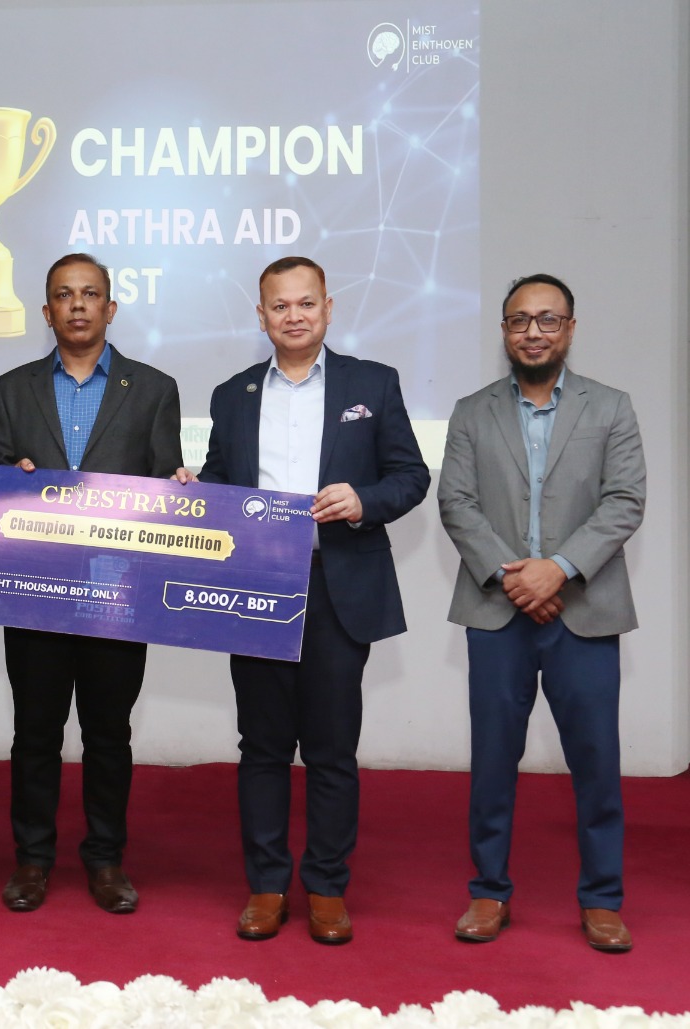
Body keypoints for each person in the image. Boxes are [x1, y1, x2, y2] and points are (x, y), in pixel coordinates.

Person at [197, 256, 429, 944]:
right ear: (261, 315)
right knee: (263, 747)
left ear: (329, 308)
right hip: (256, 587)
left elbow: (411, 476)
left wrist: (364, 500)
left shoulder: (372, 383)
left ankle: (327, 887)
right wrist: (192, 491)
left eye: (306, 303)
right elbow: (219, 482)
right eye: (280, 306)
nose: (293, 316)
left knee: (331, 750)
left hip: (337, 585)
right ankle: (267, 885)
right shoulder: (232, 394)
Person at [437, 273, 646, 952]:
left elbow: (624, 500)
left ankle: (603, 898)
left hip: (584, 610)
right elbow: (456, 503)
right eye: (520, 320)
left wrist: (558, 567)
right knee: (493, 761)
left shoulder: (610, 407)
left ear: (570, 329)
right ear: (503, 330)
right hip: (497, 610)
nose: (533, 331)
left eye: (548, 319)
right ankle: (488, 891)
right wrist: (517, 574)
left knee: (596, 761)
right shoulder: (471, 412)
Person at [0, 253, 183, 915]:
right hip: (34, 592)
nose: (77, 305)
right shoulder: (11, 389)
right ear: (46, 312)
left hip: (116, 593)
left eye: (90, 294)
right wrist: (6, 478)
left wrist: (180, 487)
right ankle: (32, 860)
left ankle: (105, 859)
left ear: (110, 307)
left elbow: (164, 486)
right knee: (35, 733)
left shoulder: (153, 389)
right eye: (64, 295)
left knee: (108, 733)